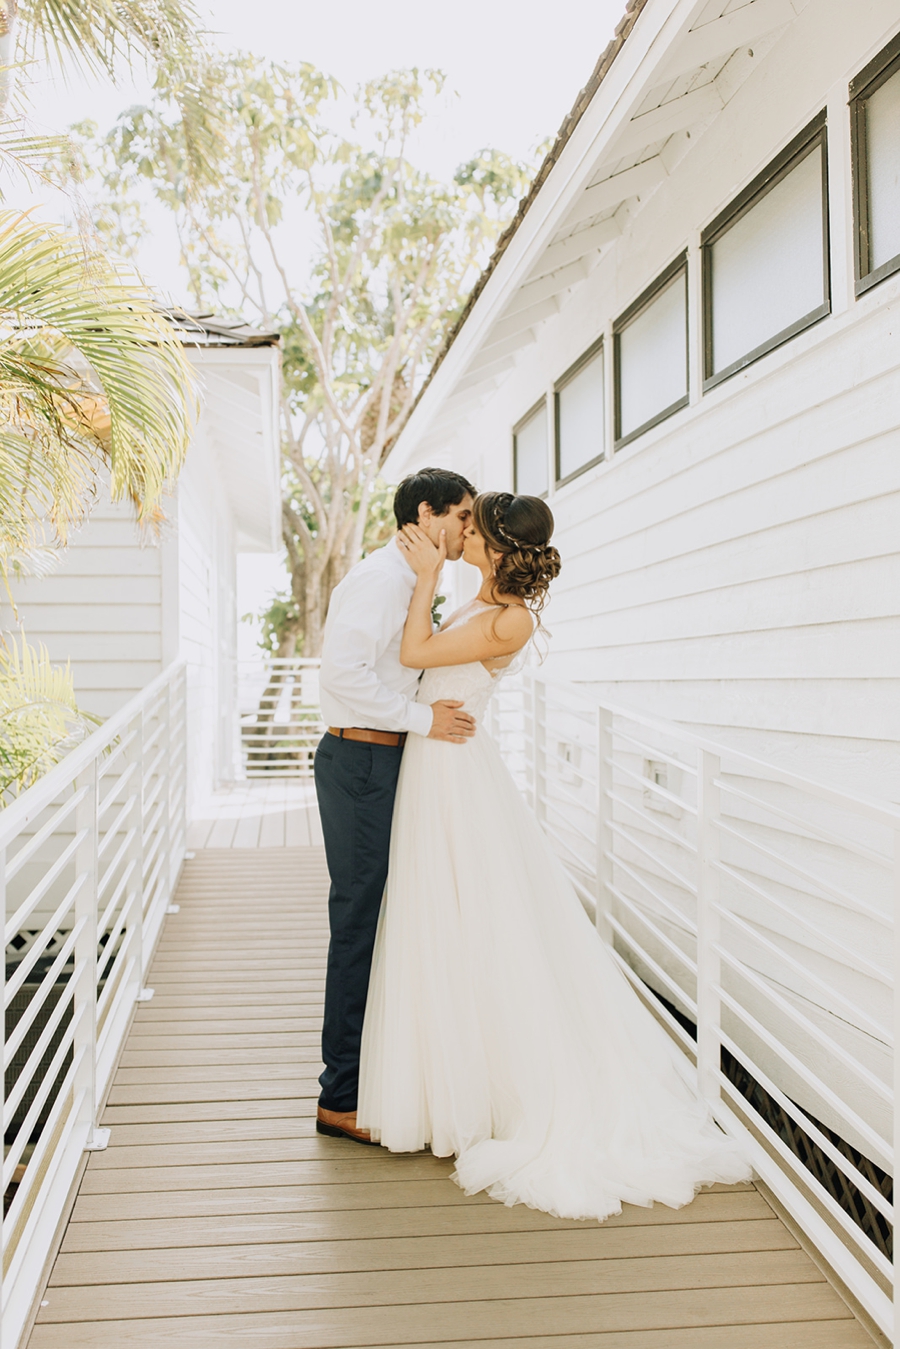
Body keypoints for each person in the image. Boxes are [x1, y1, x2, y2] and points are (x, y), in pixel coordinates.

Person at [357, 490, 750, 1220]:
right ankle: (454, 1088)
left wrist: (420, 582)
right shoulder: (480, 601)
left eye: (473, 528)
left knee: (475, 917)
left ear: (498, 543)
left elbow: (415, 654)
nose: (462, 534)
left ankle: (497, 1092)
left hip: (454, 775)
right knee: (444, 920)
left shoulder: (512, 617)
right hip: (434, 766)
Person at [314, 468, 478, 1145]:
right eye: (462, 516)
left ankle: (372, 1077)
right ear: (426, 513)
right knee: (356, 923)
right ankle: (339, 1097)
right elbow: (341, 673)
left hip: (386, 759)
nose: (469, 528)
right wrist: (420, 719)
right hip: (360, 761)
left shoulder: (412, 579)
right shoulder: (384, 581)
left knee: (384, 921)